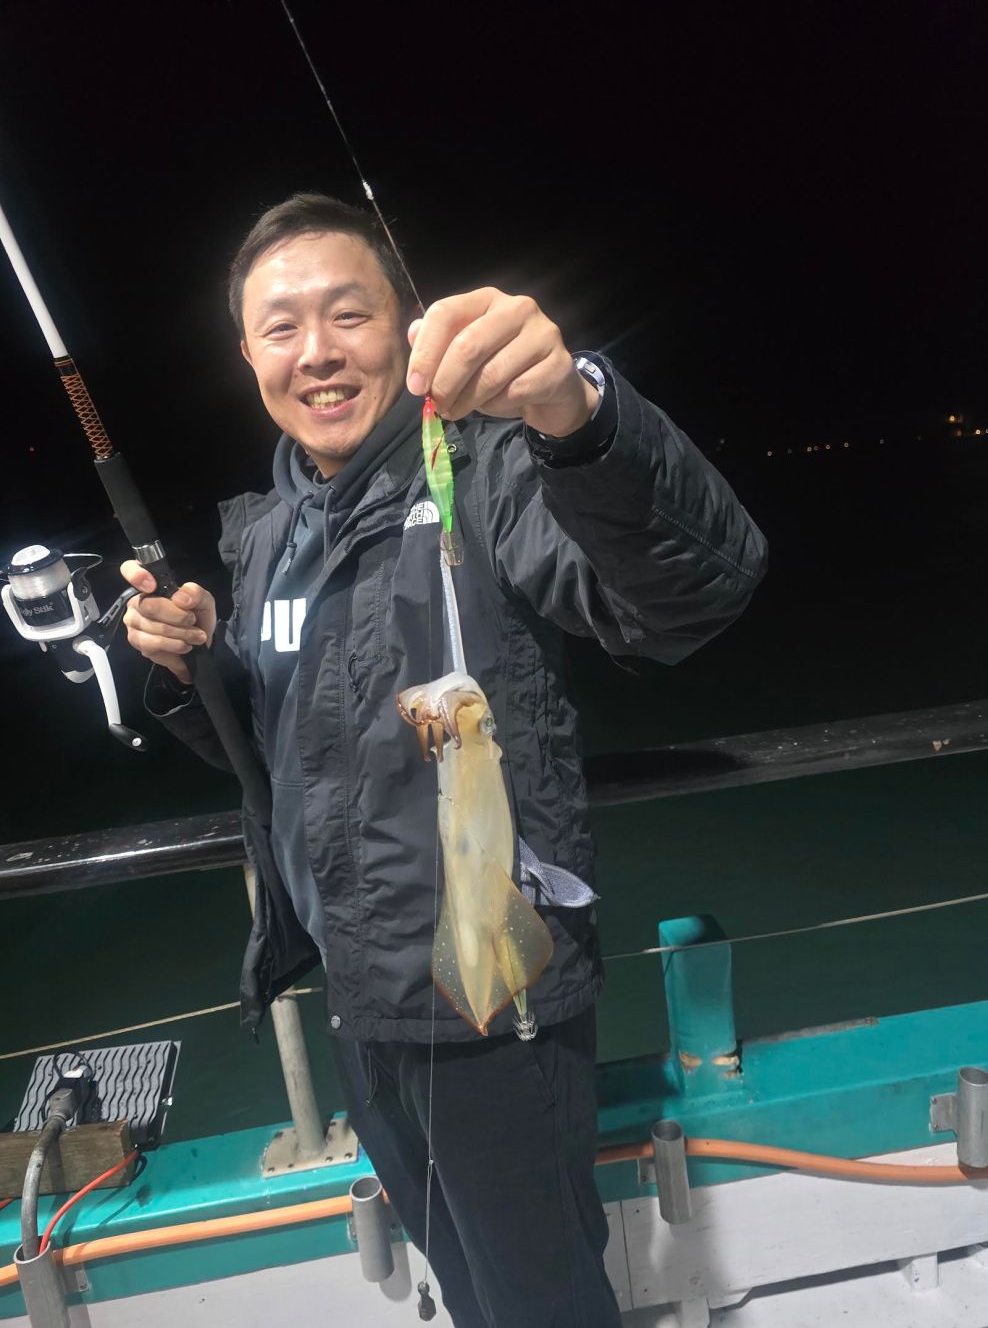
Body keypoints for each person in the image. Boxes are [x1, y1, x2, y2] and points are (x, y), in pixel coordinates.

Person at [122, 192, 767, 1327]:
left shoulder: (495, 472)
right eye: (281, 327)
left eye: (347, 314)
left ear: (406, 326)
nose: (315, 350)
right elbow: (282, 749)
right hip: (357, 1001)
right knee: (469, 1293)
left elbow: (691, 595)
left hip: (491, 1004)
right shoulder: (266, 535)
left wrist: (578, 412)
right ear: (247, 354)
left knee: (541, 1304)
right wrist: (191, 674)